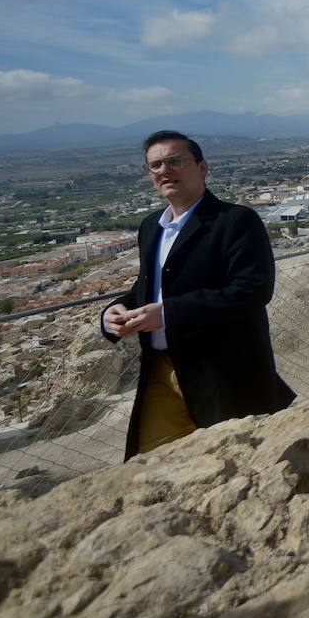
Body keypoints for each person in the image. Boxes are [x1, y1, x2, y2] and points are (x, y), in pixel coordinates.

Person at [101, 130, 294, 460]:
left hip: (221, 372)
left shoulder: (235, 221)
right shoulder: (151, 227)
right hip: (162, 369)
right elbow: (149, 286)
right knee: (154, 466)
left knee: (238, 462)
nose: (164, 170)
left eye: (175, 161)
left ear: (202, 168)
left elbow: (252, 290)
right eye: (156, 165)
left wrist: (168, 313)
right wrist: (114, 310)